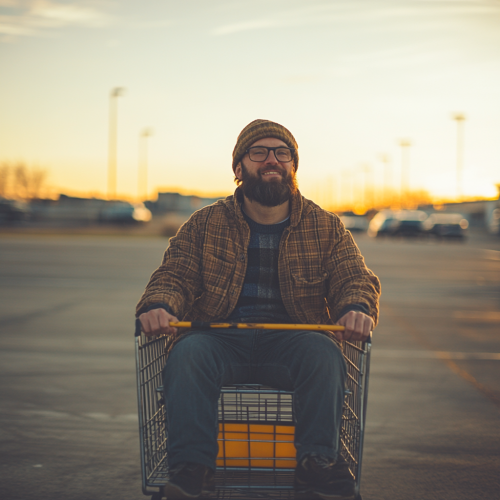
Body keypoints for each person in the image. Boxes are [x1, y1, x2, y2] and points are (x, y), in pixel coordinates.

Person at [136, 119, 381, 500]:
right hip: (218, 339)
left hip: (293, 340)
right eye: (259, 152)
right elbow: (175, 274)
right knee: (187, 354)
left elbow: (354, 276)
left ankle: (315, 466)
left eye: (282, 153)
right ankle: (192, 469)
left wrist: (355, 307)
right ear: (239, 168)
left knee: (324, 354)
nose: (272, 160)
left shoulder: (325, 226)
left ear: (292, 167)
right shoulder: (205, 223)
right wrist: (158, 305)